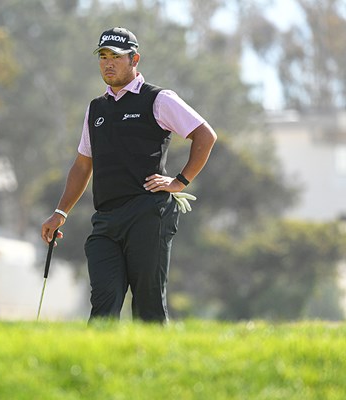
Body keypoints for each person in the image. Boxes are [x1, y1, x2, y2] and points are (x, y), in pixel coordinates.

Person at [41, 27, 217, 323]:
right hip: (107, 219)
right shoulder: (96, 108)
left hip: (148, 212)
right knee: (103, 302)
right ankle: (98, 365)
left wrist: (179, 181)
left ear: (134, 59)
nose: (108, 63)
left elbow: (205, 135)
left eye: (116, 57)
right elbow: (83, 165)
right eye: (103, 57)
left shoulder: (158, 99)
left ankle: (154, 365)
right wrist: (60, 212)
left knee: (148, 303)